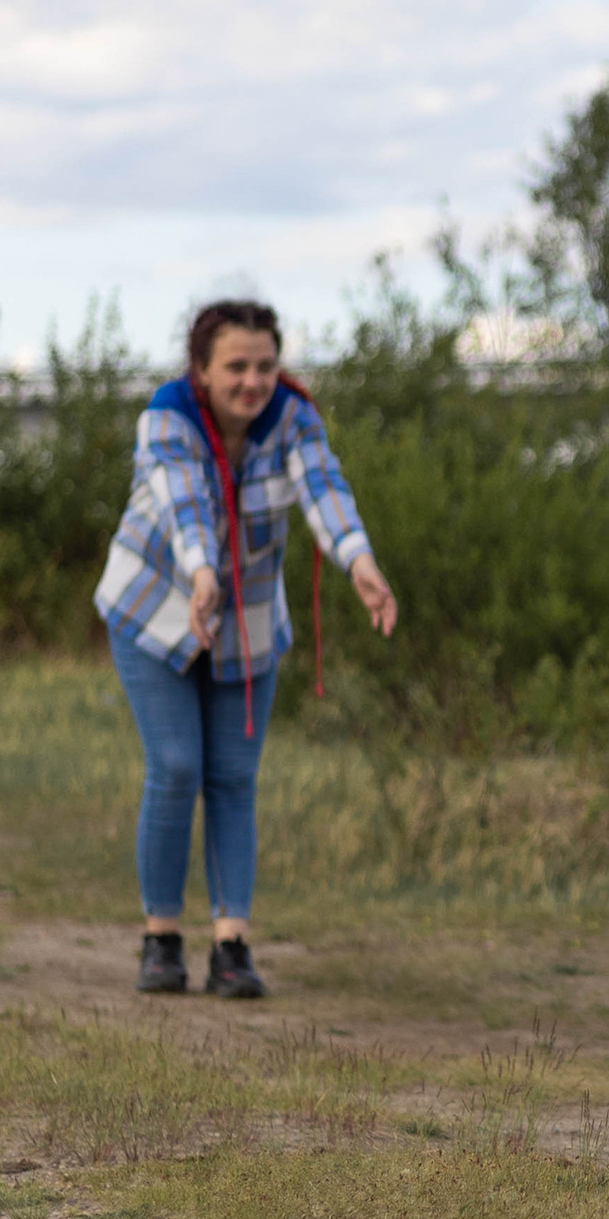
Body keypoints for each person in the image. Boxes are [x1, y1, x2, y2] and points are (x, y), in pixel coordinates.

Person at [94, 299, 397, 999]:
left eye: (265, 365)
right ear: (201, 369)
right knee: (175, 767)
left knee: (232, 778)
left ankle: (231, 947)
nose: (252, 381)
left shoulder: (294, 417)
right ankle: (161, 938)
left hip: (248, 623)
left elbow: (324, 489)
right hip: (156, 610)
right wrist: (202, 572)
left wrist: (359, 562)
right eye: (235, 366)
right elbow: (185, 504)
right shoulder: (167, 416)